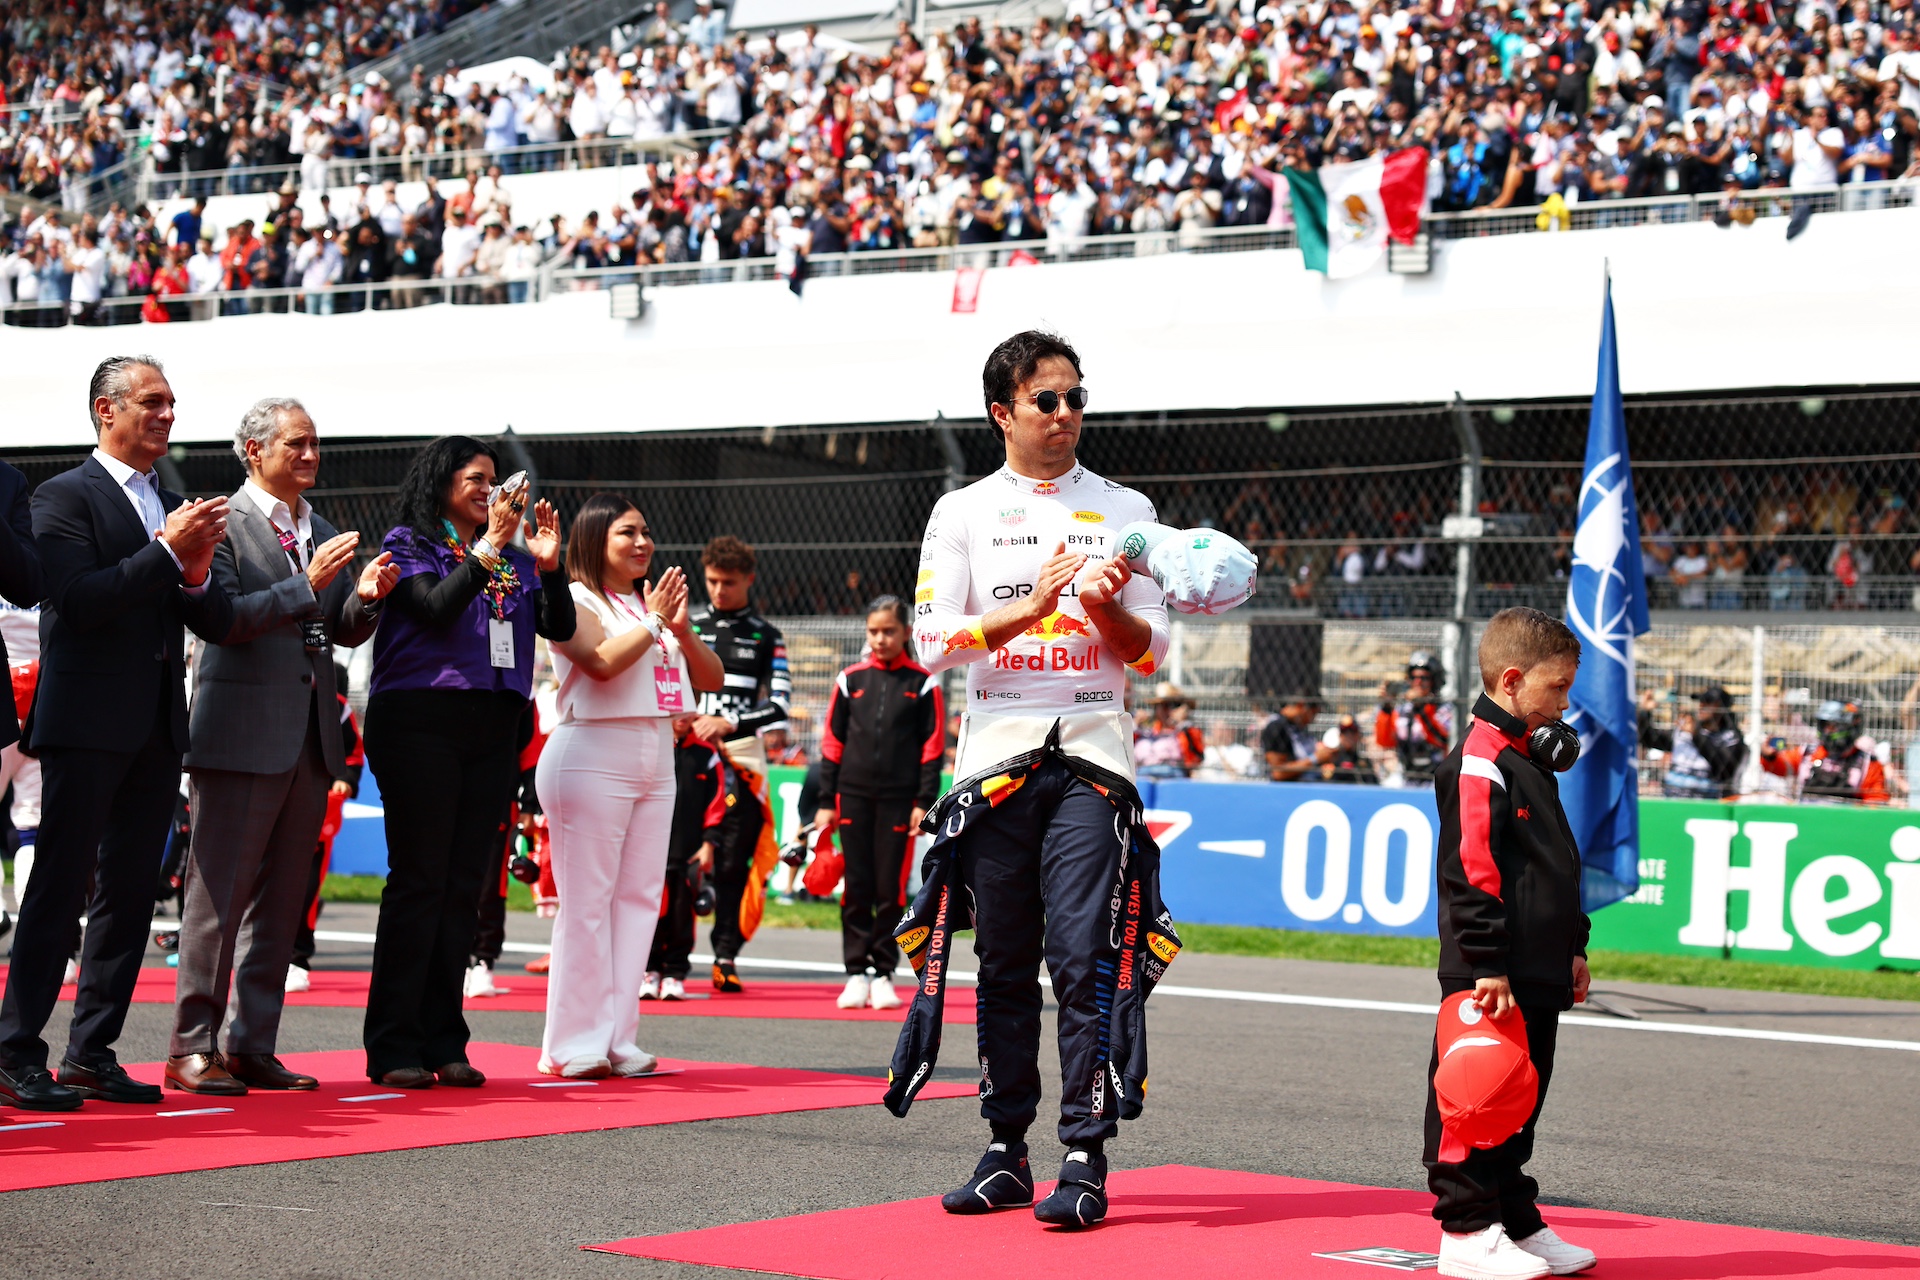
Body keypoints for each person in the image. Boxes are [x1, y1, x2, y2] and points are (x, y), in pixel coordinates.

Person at [906, 329, 1172, 1228]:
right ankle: (1003, 1148)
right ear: (1002, 413)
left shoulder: (1129, 507)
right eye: (1046, 401)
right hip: (996, 760)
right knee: (1003, 960)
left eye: (1076, 399)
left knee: (1083, 955)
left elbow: (1153, 651)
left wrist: (1103, 610)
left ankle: (1085, 1156)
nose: (1067, 416)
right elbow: (930, 643)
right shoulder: (963, 511)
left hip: (1094, 754)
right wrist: (1028, 609)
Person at [0, 356, 232, 1111]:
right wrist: (167, 554)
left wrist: (192, 572)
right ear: (107, 410)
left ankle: (91, 1050)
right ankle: (14, 1049)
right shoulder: (62, 495)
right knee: (60, 889)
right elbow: (75, 598)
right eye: (152, 402)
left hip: (157, 722)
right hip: (86, 719)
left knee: (130, 896)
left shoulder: (170, 499)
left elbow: (202, 613)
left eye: (172, 403)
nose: (168, 415)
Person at [167, 398, 399, 1095]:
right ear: (253, 449)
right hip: (238, 733)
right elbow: (225, 620)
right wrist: (314, 583)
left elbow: (338, 630)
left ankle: (252, 1043)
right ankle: (190, 1045)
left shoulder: (316, 526)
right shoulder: (223, 523)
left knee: (280, 904)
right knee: (217, 899)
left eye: (314, 443)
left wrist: (364, 595)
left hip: (307, 739)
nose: (309, 455)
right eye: (294, 444)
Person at [360, 436, 574, 1089]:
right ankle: (393, 1043)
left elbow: (558, 626)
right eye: (476, 479)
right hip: (420, 720)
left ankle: (443, 1039)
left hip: (493, 724)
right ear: (441, 483)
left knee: (464, 888)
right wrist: (488, 547)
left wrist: (551, 565)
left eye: (494, 480)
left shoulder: (513, 557)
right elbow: (432, 606)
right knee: (420, 881)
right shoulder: (411, 541)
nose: (490, 490)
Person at [1427, 606, 1595, 1280]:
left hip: (1540, 965)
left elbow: (1557, 865)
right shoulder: (1478, 761)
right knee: (1476, 1096)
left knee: (1521, 1099)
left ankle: (1514, 1219)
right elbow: (1471, 872)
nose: (1564, 703)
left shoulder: (1530, 759)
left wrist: (1574, 948)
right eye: (1556, 689)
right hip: (1490, 971)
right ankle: (1466, 1231)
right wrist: (1485, 964)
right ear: (1512, 681)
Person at [538, 494, 722, 1078]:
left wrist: (683, 631)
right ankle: (572, 1044)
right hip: (591, 752)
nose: (643, 543)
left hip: (654, 753)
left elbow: (711, 677)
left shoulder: (650, 607)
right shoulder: (576, 597)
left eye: (646, 532)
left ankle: (618, 1038)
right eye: (627, 533)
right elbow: (600, 662)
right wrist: (657, 621)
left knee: (640, 901)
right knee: (587, 904)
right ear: (596, 541)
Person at [814, 595, 944, 1012]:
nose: (880, 638)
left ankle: (884, 972)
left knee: (889, 889)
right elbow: (832, 743)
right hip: (851, 796)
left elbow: (931, 747)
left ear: (906, 632)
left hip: (899, 800)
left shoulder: (924, 682)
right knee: (856, 887)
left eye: (889, 631)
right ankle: (855, 972)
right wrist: (825, 801)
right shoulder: (849, 680)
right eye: (873, 631)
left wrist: (923, 801)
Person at [687, 535, 791, 993]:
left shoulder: (768, 635)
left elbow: (782, 705)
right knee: (673, 857)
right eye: (711, 581)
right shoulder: (685, 626)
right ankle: (659, 962)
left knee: (733, 863)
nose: (718, 591)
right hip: (687, 753)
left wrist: (728, 721)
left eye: (728, 582)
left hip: (742, 759)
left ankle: (724, 955)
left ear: (748, 579)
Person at [286, 665, 363, 992]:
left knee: (305, 887)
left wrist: (345, 780)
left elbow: (354, 754)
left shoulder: (338, 705)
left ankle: (297, 958)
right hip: (269, 799)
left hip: (317, 807)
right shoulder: (268, 689)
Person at [643, 718, 725, 1001]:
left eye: (687, 708)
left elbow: (718, 801)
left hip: (688, 853)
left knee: (681, 915)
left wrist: (708, 844)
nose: (681, 715)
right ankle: (648, 971)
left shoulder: (706, 754)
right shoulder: (648, 745)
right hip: (649, 850)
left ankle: (674, 974)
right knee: (647, 913)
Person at [1760, 699, 1889, 804]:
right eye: (1824, 726)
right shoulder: (1807, 753)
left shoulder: (1867, 764)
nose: (1827, 731)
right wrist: (1768, 756)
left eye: (1832, 726)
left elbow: (1876, 803)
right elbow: (1779, 767)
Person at [1638, 686, 1748, 799]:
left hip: (1707, 805)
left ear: (1722, 707)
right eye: (1701, 701)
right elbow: (1648, 739)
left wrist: (1696, 735)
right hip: (1672, 800)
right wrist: (1644, 713)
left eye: (1708, 702)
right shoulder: (1684, 730)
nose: (1701, 706)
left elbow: (1724, 771)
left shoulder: (1731, 738)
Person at [1377, 651, 1454, 784]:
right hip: (1406, 774)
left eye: (1424, 678)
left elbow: (1440, 740)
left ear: (1434, 680)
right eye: (1414, 678)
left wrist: (1421, 708)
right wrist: (1387, 707)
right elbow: (1385, 741)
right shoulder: (1402, 708)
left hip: (1435, 776)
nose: (1418, 682)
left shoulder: (1444, 708)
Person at [1134, 684, 1205, 778]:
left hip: (1173, 777)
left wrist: (1181, 724)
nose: (1167, 710)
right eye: (1162, 705)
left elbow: (1195, 759)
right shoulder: (1145, 730)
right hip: (1143, 776)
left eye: (1173, 705)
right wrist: (1135, 724)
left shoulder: (1186, 730)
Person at [1262, 695, 1331, 781]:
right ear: (1301, 705)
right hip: (1286, 790)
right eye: (1313, 714)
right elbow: (1278, 772)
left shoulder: (1297, 726)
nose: (1312, 720)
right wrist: (1316, 758)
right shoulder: (1277, 727)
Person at [1322, 714, 1379, 784]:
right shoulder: (1331, 760)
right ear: (1340, 736)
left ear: (1358, 735)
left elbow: (1373, 787)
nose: (1348, 735)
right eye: (1344, 732)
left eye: (1352, 731)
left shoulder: (1364, 764)